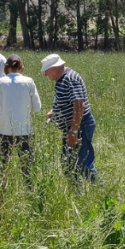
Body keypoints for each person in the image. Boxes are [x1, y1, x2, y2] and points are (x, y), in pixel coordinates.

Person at [41, 54, 100, 183]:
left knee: (84, 163)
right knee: (67, 163)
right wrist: (54, 111)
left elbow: (79, 105)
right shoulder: (61, 79)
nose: (45, 75)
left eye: (46, 71)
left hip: (80, 127)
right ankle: (76, 194)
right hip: (73, 128)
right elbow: (67, 101)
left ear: (55, 68)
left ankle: (101, 193)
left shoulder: (70, 79)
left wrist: (73, 131)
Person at [0, 54, 42, 179]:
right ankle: (30, 193)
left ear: (7, 67)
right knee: (27, 167)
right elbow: (37, 108)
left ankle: (0, 193)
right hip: (25, 130)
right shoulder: (29, 82)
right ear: (21, 66)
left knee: (1, 166)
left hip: (3, 129)